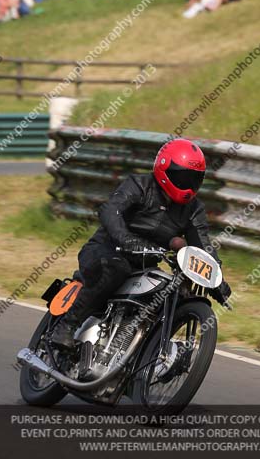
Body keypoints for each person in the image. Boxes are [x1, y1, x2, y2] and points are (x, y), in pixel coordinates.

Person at [51, 138, 231, 349]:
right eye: (183, 177)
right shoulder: (139, 185)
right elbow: (110, 210)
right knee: (117, 268)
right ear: (165, 169)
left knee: (168, 290)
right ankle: (67, 326)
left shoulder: (193, 209)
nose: (188, 184)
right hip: (106, 251)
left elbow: (203, 245)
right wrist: (125, 239)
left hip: (145, 264)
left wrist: (216, 278)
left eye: (194, 178)